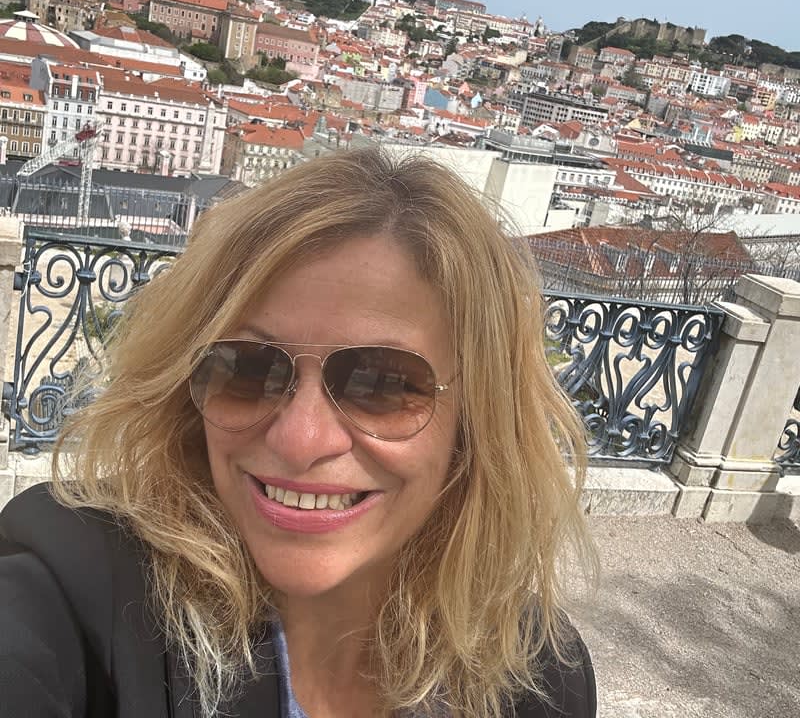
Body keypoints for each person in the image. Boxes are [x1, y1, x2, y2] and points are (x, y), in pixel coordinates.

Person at [0, 147, 597, 717]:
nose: (300, 440)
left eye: (382, 384)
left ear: (476, 419)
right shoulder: (77, 588)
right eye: (246, 369)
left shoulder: (538, 679)